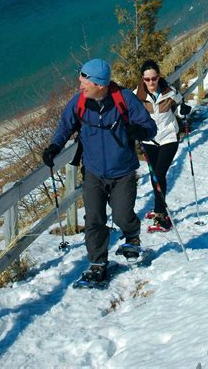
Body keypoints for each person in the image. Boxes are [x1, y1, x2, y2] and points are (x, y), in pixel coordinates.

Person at [42, 58, 156, 284]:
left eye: (85, 82)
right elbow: (65, 126)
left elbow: (150, 128)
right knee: (94, 218)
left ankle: (131, 236)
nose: (80, 86)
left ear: (100, 85)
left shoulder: (125, 100)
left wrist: (139, 132)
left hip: (123, 171)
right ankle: (97, 262)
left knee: (122, 214)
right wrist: (55, 146)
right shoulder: (79, 103)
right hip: (93, 172)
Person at [135, 59, 191, 232]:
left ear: (159, 77)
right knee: (154, 176)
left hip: (168, 137)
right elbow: (129, 114)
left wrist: (183, 110)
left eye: (154, 78)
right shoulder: (136, 96)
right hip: (149, 140)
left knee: (159, 174)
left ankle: (161, 214)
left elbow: (181, 105)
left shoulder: (170, 92)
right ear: (143, 79)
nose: (151, 82)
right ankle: (158, 207)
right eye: (147, 79)